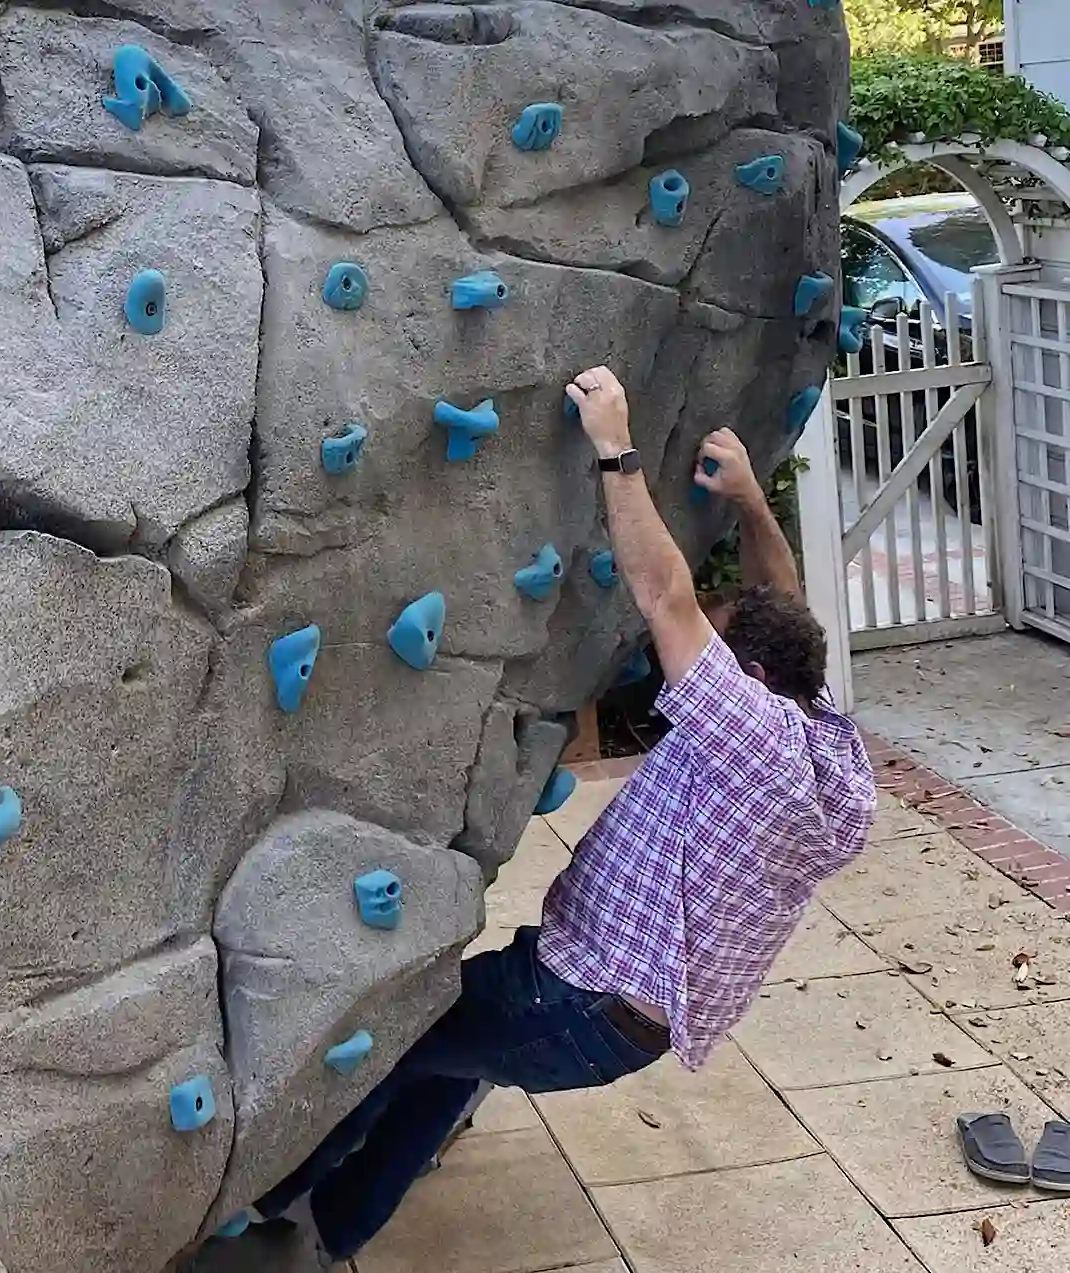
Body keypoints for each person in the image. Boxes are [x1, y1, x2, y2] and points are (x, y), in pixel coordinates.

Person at [213, 366, 878, 1270]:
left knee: (405, 1040)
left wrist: (616, 447)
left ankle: (275, 1217)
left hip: (579, 1002)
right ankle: (333, 1231)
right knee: (456, 1058)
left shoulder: (751, 733)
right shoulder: (820, 738)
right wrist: (755, 506)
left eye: (717, 650)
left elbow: (665, 597)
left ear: (751, 684)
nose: (692, 655)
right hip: (609, 1014)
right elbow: (786, 608)